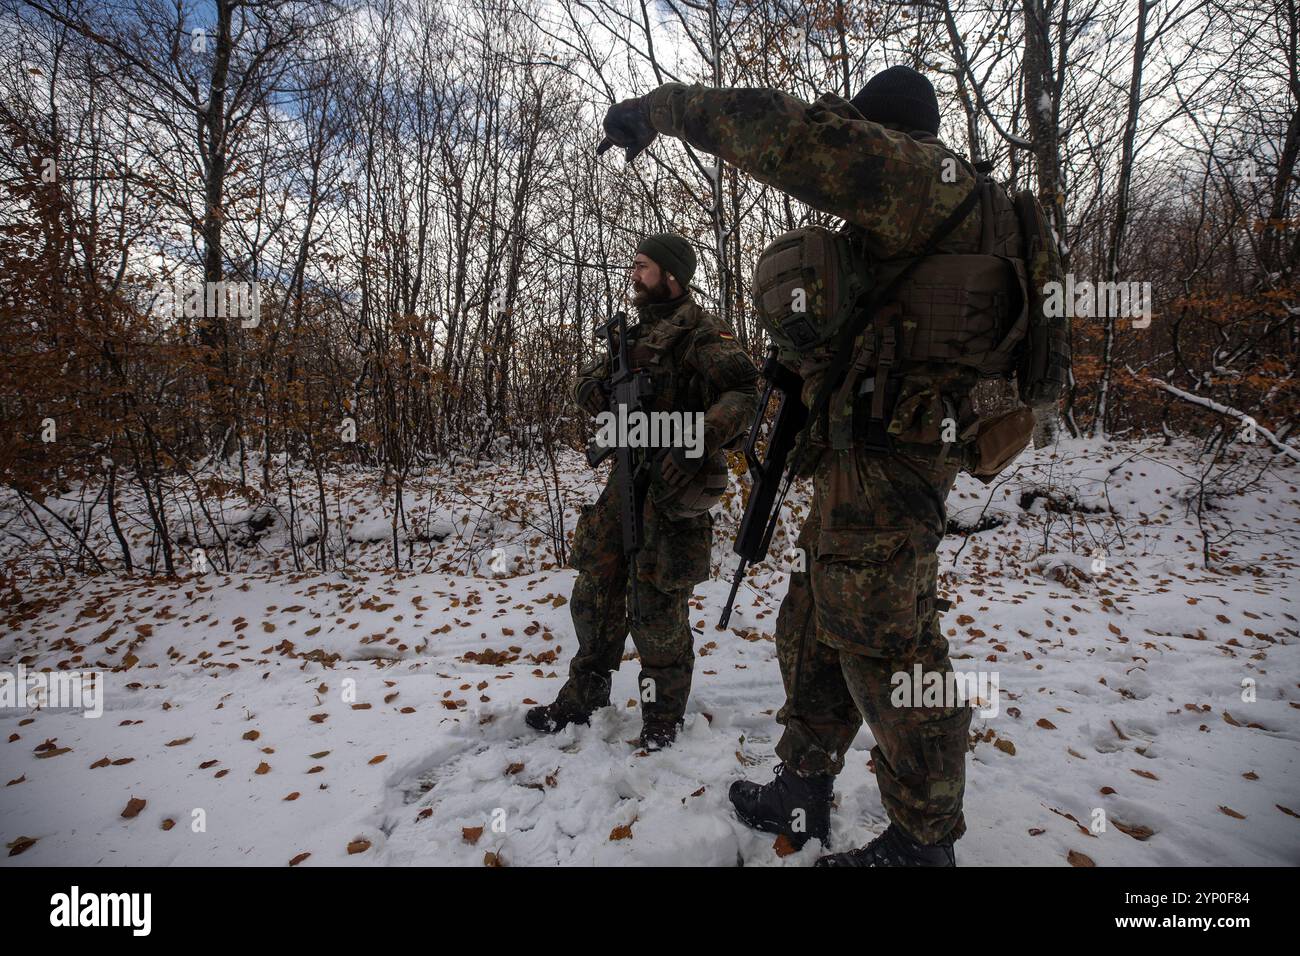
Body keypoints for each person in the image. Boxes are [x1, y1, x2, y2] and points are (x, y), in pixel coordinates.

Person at [598, 65, 1037, 863]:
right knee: (813, 620)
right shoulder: (966, 211)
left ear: (882, 134)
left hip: (890, 453)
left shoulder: (918, 178)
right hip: (871, 449)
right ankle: (802, 784)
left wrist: (657, 111)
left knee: (891, 644)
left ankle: (922, 839)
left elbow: (783, 133)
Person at [526, 234, 759, 751]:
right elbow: (589, 378)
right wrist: (597, 389)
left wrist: (696, 439)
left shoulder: (703, 332)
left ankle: (661, 714)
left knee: (655, 603)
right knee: (594, 590)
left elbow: (744, 391)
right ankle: (582, 697)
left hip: (674, 483)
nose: (635, 274)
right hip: (624, 477)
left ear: (672, 275)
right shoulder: (630, 334)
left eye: (644, 266)